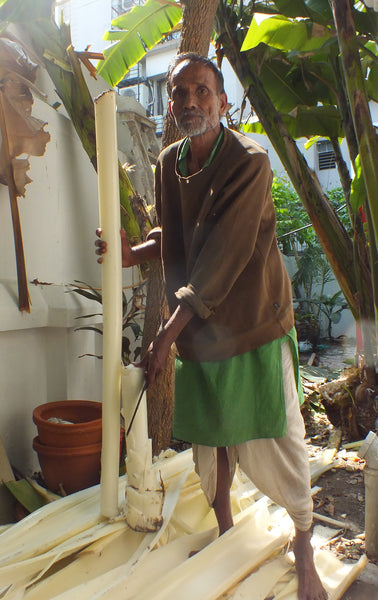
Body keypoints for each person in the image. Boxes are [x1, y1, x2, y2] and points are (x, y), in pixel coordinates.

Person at [96, 52, 327, 600]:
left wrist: (167, 333)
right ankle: (225, 531)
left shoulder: (248, 160)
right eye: (180, 93)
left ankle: (303, 546)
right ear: (170, 104)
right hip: (200, 330)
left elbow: (223, 251)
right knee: (212, 442)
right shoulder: (169, 162)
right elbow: (175, 239)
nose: (190, 101)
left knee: (279, 436)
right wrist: (131, 253)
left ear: (224, 103)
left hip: (252, 323)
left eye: (202, 91)